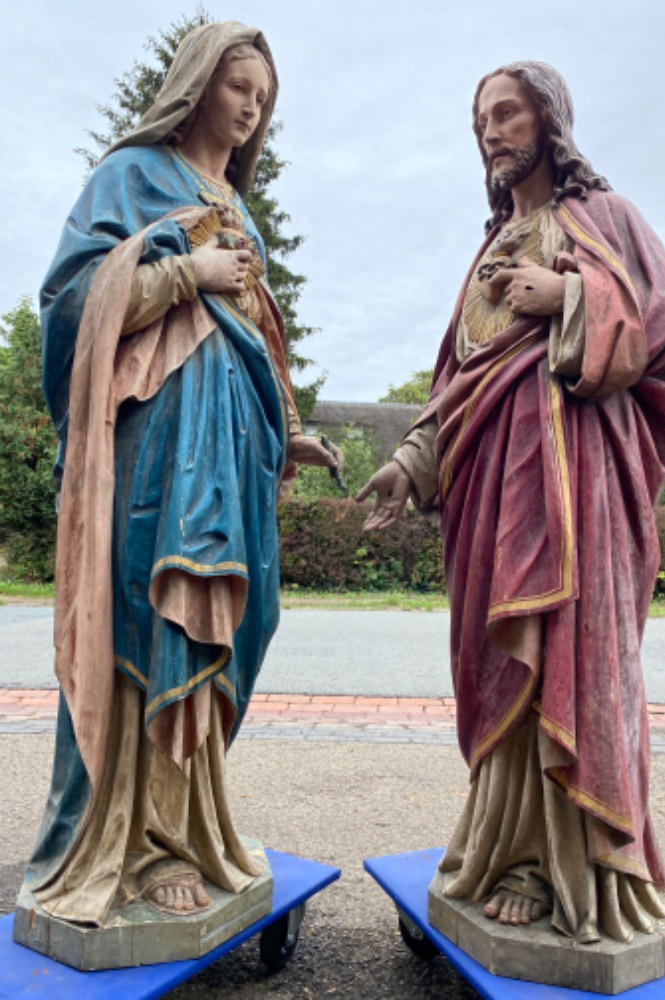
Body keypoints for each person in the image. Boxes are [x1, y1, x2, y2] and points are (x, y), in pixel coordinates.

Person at [357, 62, 665, 944]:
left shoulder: (608, 218)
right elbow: (458, 378)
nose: (490, 131)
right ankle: (509, 853)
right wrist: (411, 461)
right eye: (481, 120)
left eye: (506, 114)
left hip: (577, 485)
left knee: (569, 659)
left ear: (549, 122)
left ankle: (573, 870)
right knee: (505, 663)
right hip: (490, 493)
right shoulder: (489, 250)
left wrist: (571, 297)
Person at [19, 21, 340, 926]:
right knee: (158, 603)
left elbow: (261, 342)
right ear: (198, 84)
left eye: (263, 99)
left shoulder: (240, 213)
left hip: (234, 447)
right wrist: (184, 273)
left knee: (234, 615)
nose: (251, 109)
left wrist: (291, 431)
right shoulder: (130, 177)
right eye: (240, 87)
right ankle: (142, 841)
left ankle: (190, 826)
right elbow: (70, 305)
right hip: (154, 439)